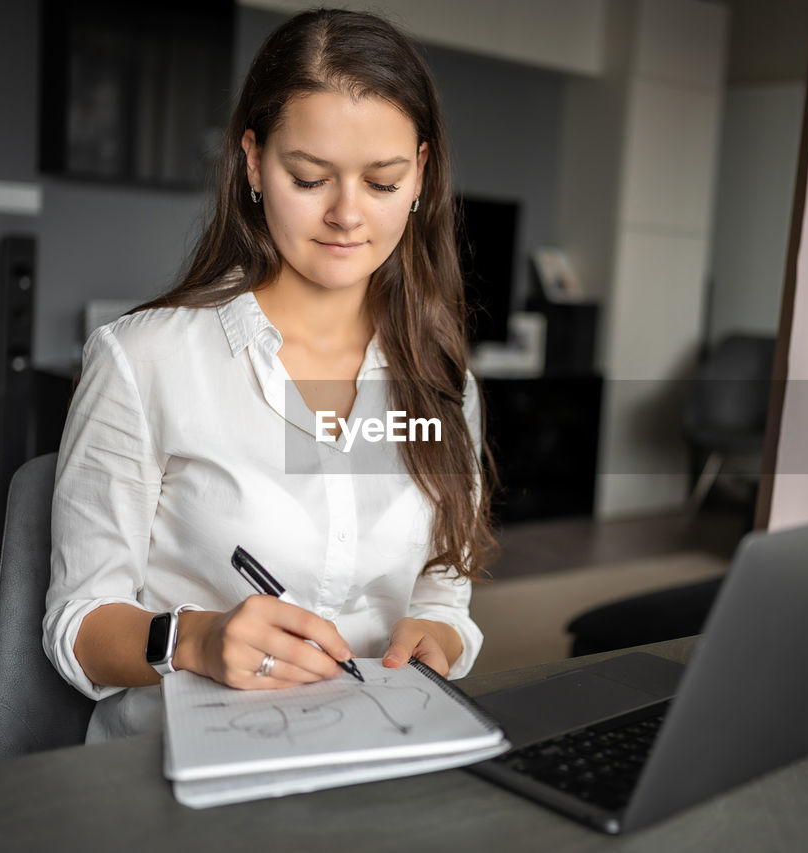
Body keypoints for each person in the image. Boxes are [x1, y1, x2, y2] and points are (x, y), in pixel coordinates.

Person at [43, 8, 496, 742]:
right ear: (253, 163)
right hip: (177, 768)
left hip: (372, 747)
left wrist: (437, 634)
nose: (348, 215)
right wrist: (193, 638)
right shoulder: (144, 360)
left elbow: (441, 586)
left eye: (382, 182)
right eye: (310, 177)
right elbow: (77, 626)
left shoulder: (443, 385)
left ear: (423, 174)